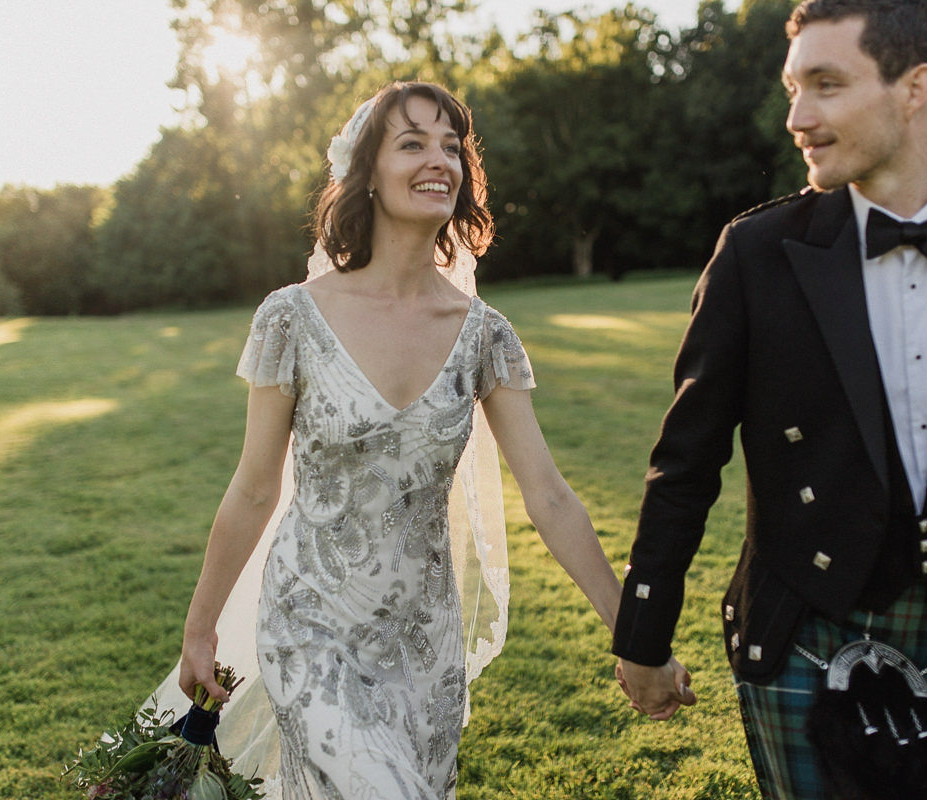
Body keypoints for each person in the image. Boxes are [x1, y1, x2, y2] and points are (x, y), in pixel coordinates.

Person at [611, 1, 927, 798]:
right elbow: (686, 460)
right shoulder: (757, 254)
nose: (797, 116)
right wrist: (644, 635)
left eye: (826, 85)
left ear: (914, 86)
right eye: (794, 88)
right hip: (806, 632)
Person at [165, 81, 622, 799]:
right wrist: (200, 630)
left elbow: (551, 496)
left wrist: (629, 629)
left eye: (451, 146)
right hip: (311, 624)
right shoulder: (292, 319)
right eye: (412, 143)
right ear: (367, 174)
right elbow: (255, 488)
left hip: (422, 646)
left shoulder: (485, 336)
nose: (438, 160)